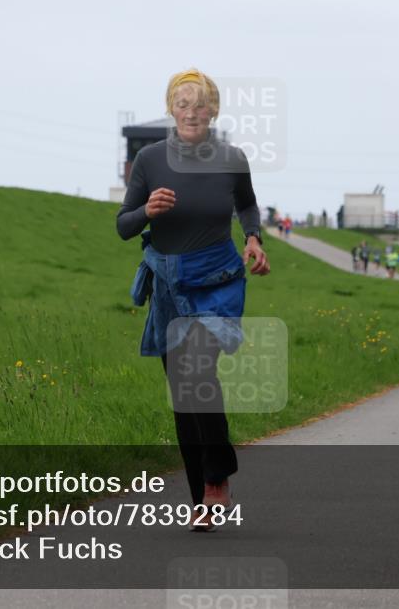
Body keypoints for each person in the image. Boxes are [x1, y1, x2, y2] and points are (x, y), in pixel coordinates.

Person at [117, 68, 270, 530]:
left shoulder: (231, 158)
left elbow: (246, 204)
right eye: (182, 103)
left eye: (200, 104)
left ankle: (217, 479)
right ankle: (200, 500)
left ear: (213, 111)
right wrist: (148, 210)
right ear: (171, 108)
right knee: (182, 391)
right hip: (168, 283)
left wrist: (254, 238)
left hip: (218, 278)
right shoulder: (150, 160)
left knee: (197, 372)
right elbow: (124, 226)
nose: (191, 111)